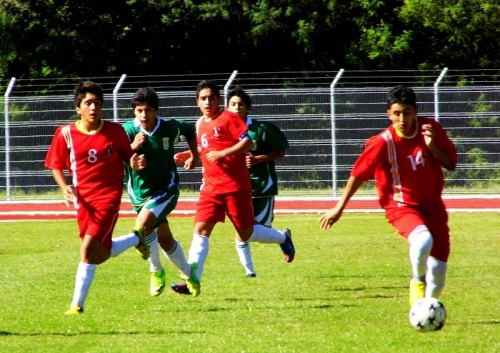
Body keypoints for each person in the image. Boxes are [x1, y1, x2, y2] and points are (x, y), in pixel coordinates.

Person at [318, 85, 457, 307]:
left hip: (433, 207)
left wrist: (432, 146)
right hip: (401, 207)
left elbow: (451, 164)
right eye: (397, 113)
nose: (403, 118)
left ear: (416, 111)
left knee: (439, 270)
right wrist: (339, 207)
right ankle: (416, 280)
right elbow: (358, 174)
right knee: (423, 241)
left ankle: (426, 309)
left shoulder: (431, 130)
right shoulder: (383, 142)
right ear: (389, 114)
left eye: (408, 112)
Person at [170, 80, 296, 296]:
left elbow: (248, 143)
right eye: (203, 98)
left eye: (211, 98)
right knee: (200, 231)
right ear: (197, 101)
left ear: (219, 100)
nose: (207, 102)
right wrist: (191, 155)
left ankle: (283, 238)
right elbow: (205, 146)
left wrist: (223, 154)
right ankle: (191, 281)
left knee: (246, 233)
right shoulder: (200, 123)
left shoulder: (229, 118)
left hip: (235, 187)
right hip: (210, 188)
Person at [45, 81, 149, 315]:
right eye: (88, 103)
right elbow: (55, 165)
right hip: (84, 202)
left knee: (87, 250)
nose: (93, 107)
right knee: (98, 254)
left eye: (97, 103)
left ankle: (77, 305)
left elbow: (128, 156)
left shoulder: (114, 131)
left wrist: (134, 162)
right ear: (78, 108)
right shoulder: (66, 133)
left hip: (108, 199)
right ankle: (136, 239)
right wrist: (64, 187)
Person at [121, 87, 199, 297]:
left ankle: (155, 270)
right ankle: (190, 273)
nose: (144, 116)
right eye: (139, 111)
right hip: (139, 193)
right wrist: (131, 157)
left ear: (156, 110)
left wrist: (195, 156)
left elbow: (190, 130)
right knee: (165, 239)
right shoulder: (127, 131)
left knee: (143, 223)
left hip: (166, 189)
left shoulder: (169, 128)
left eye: (148, 110)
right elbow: (116, 156)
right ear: (134, 112)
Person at [227, 88, 290, 277]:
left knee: (259, 230)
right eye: (233, 104)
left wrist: (259, 158)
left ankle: (282, 237)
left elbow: (281, 150)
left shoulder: (261, 128)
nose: (237, 108)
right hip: (236, 188)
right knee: (242, 228)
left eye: (241, 104)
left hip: (262, 186)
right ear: (227, 107)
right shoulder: (223, 131)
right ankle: (249, 271)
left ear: (248, 108)